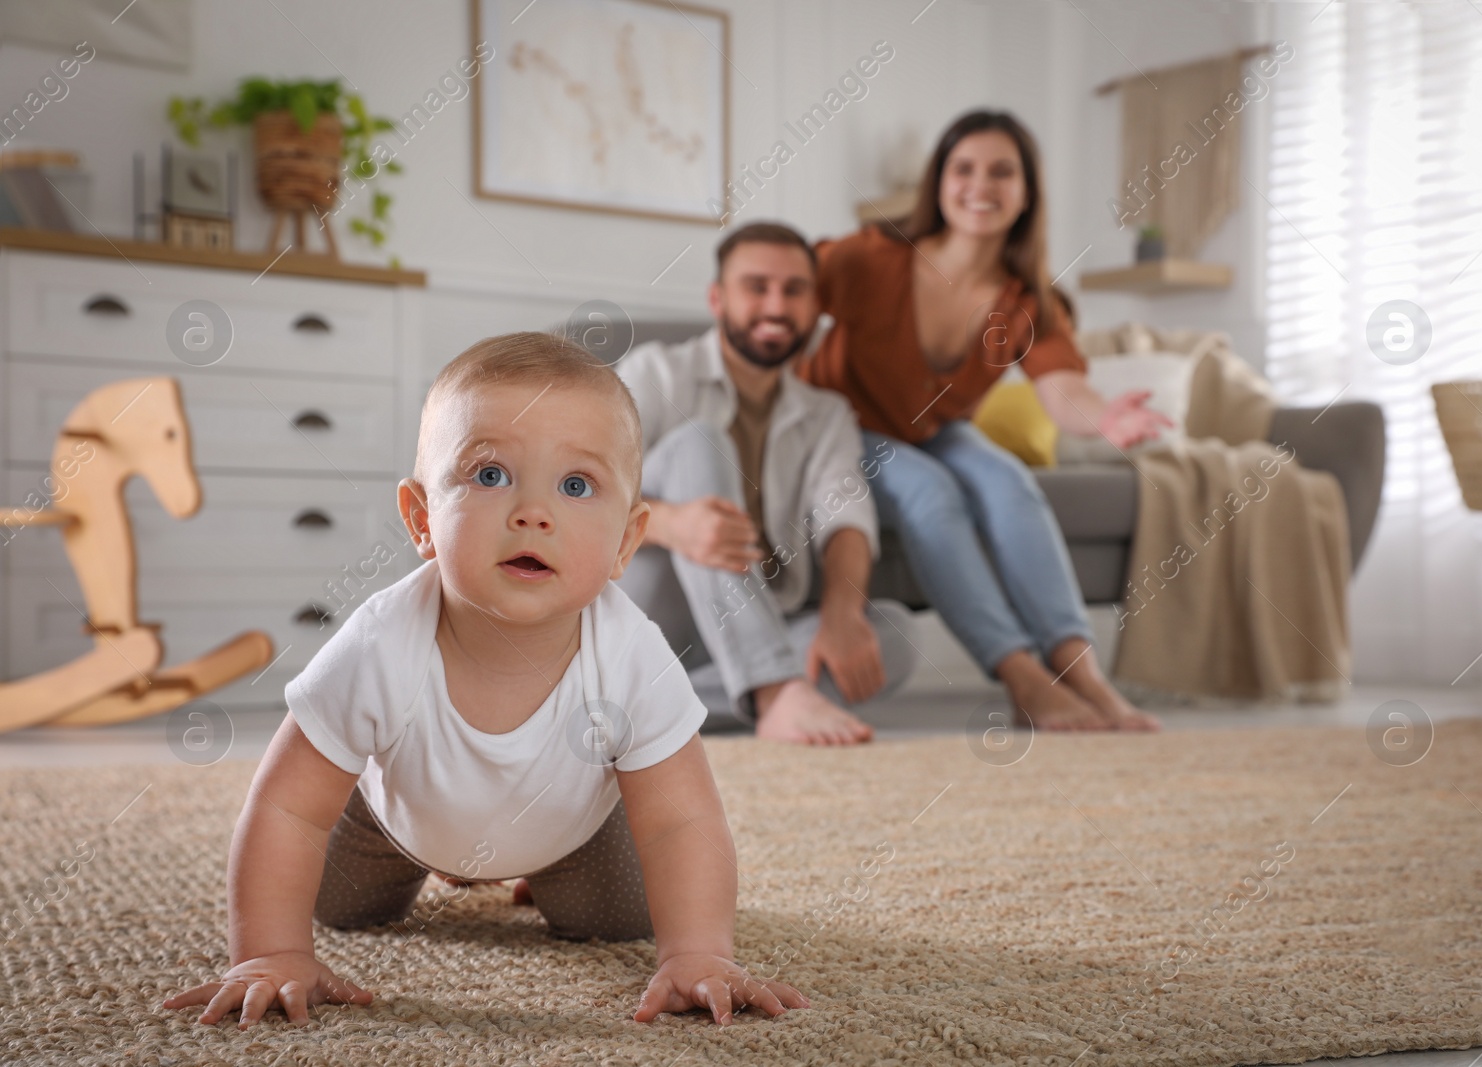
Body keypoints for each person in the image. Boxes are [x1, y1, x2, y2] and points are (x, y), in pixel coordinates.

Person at [163, 333, 807, 1029]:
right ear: (422, 520)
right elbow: (286, 807)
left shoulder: (631, 653)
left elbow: (683, 818)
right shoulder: (381, 643)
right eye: (491, 475)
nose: (534, 512)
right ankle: (415, 862)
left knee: (625, 917)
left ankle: (539, 866)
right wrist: (268, 952)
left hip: (569, 832)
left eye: (576, 485)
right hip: (396, 823)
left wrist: (701, 953)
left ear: (626, 540)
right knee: (338, 904)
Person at [797, 110, 1169, 732]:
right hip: (843, 427)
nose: (980, 185)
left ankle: (1083, 675)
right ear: (938, 183)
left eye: (1002, 172)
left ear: (1027, 193)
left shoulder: (1027, 300)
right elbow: (783, 291)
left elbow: (1062, 387)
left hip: (933, 428)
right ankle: (1024, 680)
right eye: (963, 169)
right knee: (931, 490)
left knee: (1009, 482)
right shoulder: (872, 257)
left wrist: (1105, 418)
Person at [615, 222, 915, 747]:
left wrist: (843, 616)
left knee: (892, 633)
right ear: (718, 298)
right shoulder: (655, 373)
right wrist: (672, 524)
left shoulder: (826, 414)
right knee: (697, 443)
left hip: (758, 622)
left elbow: (846, 514)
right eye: (757, 287)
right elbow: (574, 490)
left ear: (814, 305)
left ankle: (642, 710)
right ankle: (775, 690)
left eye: (794, 290)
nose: (776, 306)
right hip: (652, 615)